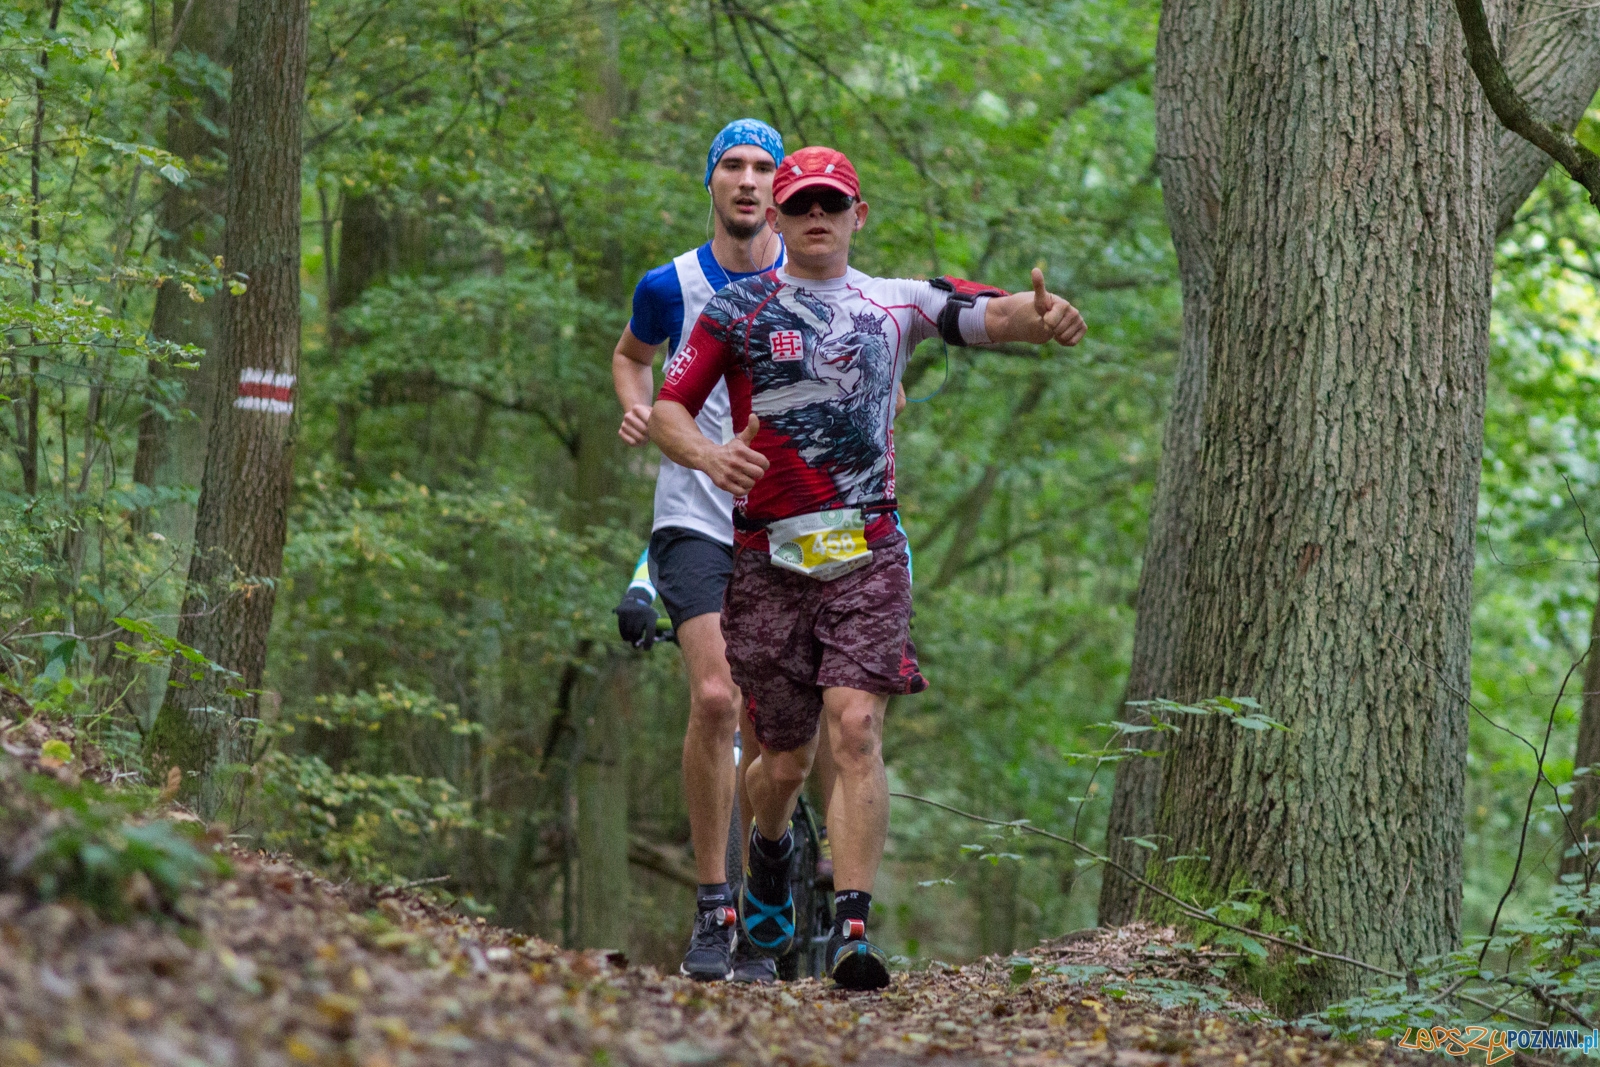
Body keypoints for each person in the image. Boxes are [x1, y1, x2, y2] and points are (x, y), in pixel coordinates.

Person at [648, 145, 1086, 991]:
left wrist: (1042, 318)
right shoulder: (736, 311)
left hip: (868, 550)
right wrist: (708, 455)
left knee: (855, 729)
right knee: (781, 761)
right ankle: (768, 855)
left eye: (833, 204)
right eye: (802, 204)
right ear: (775, 215)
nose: (818, 218)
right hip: (767, 556)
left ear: (858, 215)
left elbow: (984, 314)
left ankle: (853, 926)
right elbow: (668, 405)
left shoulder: (894, 302)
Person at [610, 118, 789, 984]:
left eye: (764, 168)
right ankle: (713, 904)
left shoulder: (816, 281)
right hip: (692, 512)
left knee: (772, 726)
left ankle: (769, 889)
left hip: (790, 524)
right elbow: (629, 356)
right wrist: (640, 406)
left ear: (781, 186)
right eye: (733, 167)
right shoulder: (667, 284)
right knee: (715, 697)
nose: (749, 181)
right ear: (710, 182)